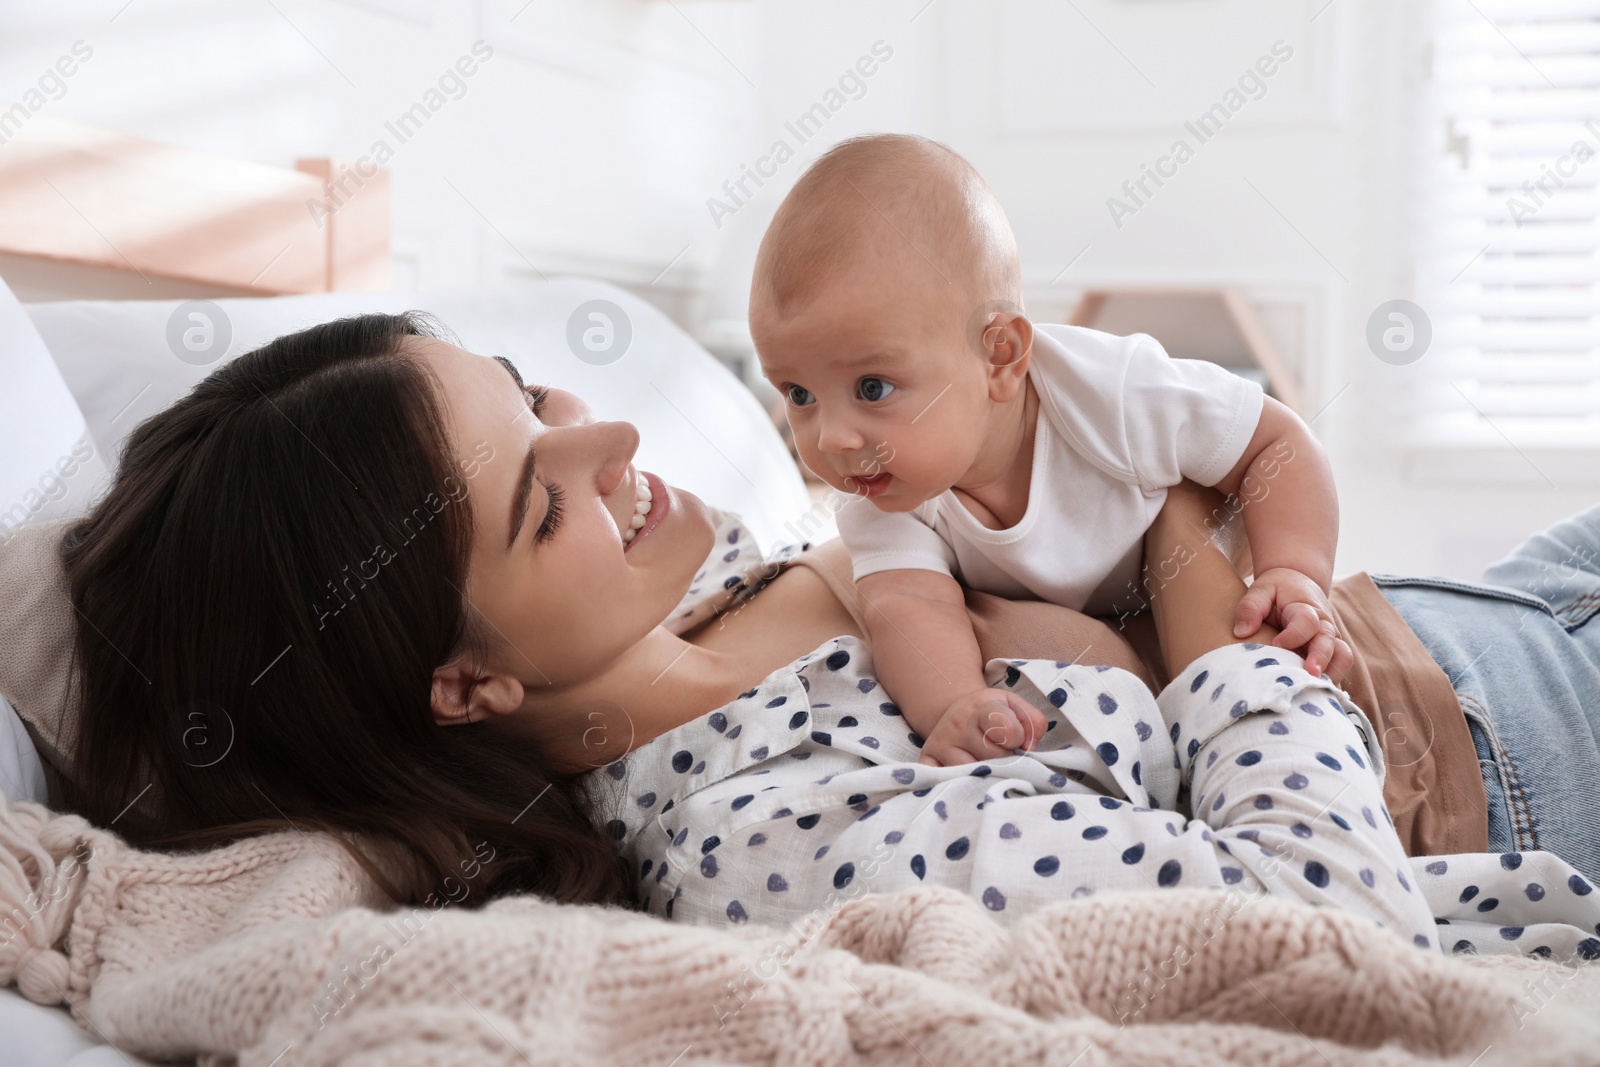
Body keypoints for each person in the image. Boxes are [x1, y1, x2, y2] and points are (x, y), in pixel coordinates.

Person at [8, 313, 1592, 959]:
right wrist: (1228, 645)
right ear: (467, 680)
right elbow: (1316, 911)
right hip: (1493, 756)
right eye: (541, 498)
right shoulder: (772, 828)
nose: (612, 432)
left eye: (536, 394)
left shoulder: (714, 580)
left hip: (1466, 605)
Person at [748, 134, 1351, 769]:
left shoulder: (1114, 394)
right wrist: (956, 703)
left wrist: (1296, 571)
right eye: (799, 392)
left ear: (999, 357)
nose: (831, 438)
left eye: (873, 388)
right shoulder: (885, 494)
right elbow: (909, 608)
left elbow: (1279, 442)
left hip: (1200, 579)